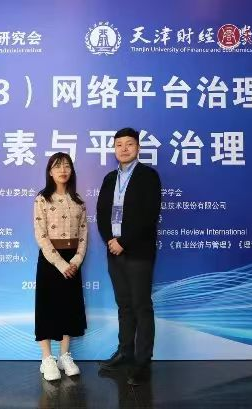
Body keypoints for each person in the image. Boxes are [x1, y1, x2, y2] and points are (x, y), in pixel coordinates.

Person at [96, 127, 162, 385]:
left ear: (138, 148)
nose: (124, 149)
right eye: (119, 145)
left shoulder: (148, 176)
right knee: (124, 305)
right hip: (114, 251)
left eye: (129, 144)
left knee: (141, 306)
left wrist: (123, 241)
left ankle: (142, 362)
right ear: (114, 149)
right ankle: (125, 352)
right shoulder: (110, 178)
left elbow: (149, 215)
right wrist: (110, 241)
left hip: (138, 252)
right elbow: (101, 213)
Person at [33, 152, 88, 381]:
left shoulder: (78, 200)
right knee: (47, 308)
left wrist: (76, 260)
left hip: (72, 261)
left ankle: (64, 356)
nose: (62, 170)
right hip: (50, 260)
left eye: (66, 166)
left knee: (69, 307)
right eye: (57, 166)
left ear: (71, 171)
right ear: (50, 172)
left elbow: (84, 233)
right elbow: (41, 235)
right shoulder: (42, 199)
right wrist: (60, 263)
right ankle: (47, 359)